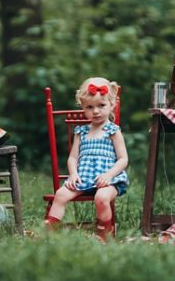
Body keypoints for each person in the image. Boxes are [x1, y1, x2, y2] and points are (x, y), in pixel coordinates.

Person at [44, 77, 129, 242]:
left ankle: (105, 234)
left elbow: (123, 159)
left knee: (101, 198)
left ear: (112, 105)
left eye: (101, 106)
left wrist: (109, 175)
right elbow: (72, 158)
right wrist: (73, 174)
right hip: (83, 178)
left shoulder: (113, 130)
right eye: (89, 107)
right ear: (83, 108)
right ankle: (50, 233)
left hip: (108, 180)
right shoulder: (81, 131)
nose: (95, 111)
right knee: (61, 194)